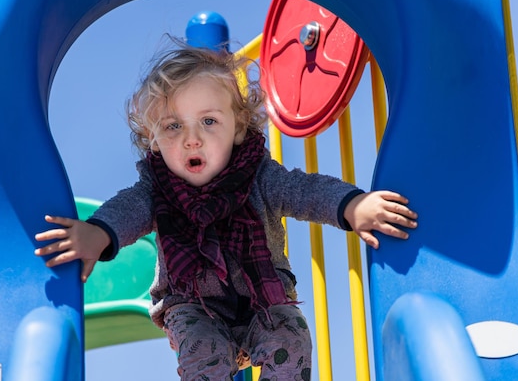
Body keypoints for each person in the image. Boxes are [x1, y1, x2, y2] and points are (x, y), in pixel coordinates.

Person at [35, 40, 418, 380]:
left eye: (208, 121)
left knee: (291, 335)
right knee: (205, 353)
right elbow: (128, 210)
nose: (191, 139)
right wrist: (97, 233)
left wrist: (352, 204)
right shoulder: (157, 188)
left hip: (264, 303)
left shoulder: (260, 177)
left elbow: (306, 190)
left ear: (237, 129)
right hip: (193, 306)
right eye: (172, 127)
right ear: (153, 141)